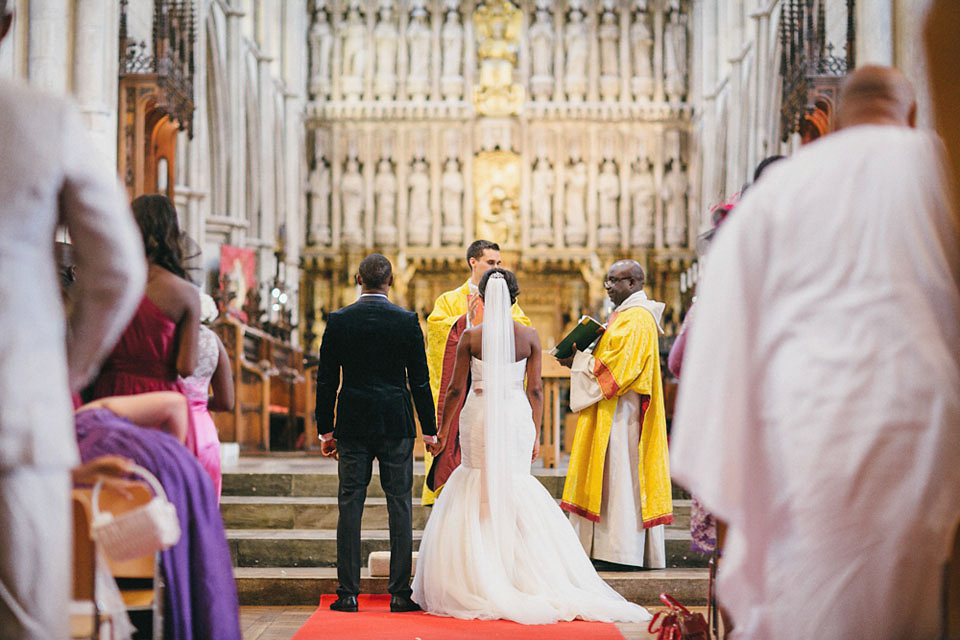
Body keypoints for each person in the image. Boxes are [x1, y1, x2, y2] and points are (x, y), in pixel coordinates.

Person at [670, 66, 960, 639]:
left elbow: (720, 352)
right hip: (935, 423)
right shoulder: (942, 166)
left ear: (835, 120)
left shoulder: (775, 195)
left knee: (815, 594)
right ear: (911, 115)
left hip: (808, 428)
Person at [0, 2, 146, 635]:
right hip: (14, 420)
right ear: (8, 23)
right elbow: (116, 271)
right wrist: (59, 372)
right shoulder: (40, 117)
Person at [413, 268, 651, 624]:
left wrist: (443, 431)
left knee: (474, 479)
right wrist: (537, 432)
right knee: (513, 481)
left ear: (480, 297)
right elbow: (535, 389)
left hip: (478, 416)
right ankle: (521, 572)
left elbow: (454, 390)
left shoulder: (471, 337)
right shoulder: (529, 335)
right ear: (515, 297)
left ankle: (476, 574)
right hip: (514, 416)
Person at [315, 254, 438, 613]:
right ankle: (400, 593)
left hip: (352, 422)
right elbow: (419, 379)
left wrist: (326, 429)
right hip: (395, 423)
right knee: (399, 504)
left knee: (349, 505)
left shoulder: (339, 320)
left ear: (357, 279)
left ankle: (348, 593)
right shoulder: (406, 320)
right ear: (392, 281)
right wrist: (429, 430)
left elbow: (326, 379)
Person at [75, 392, 241, 639]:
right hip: (167, 473)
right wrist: (180, 460)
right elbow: (174, 404)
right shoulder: (88, 418)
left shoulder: (58, 458)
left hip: (76, 584)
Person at [557, 260, 673, 570]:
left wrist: (578, 360)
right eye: (607, 281)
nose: (607, 286)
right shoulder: (625, 317)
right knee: (611, 479)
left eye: (615, 281)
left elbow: (616, 372)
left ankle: (620, 552)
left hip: (624, 417)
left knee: (621, 479)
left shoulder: (636, 320)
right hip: (614, 411)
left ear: (634, 283)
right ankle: (606, 549)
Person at [421, 240, 530, 506]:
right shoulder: (449, 300)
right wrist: (465, 323)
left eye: (498, 263)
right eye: (490, 262)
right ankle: (448, 497)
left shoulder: (507, 300)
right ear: (473, 262)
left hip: (491, 389)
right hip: (460, 387)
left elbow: (522, 327)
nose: (495, 268)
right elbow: (435, 332)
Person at [92, 194, 200, 400]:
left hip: (111, 392)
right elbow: (186, 367)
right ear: (172, 232)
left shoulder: (111, 279)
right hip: (158, 399)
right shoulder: (186, 293)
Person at [179, 293, 234, 501]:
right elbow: (226, 402)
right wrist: (199, 401)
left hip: (169, 423)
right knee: (204, 505)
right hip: (203, 430)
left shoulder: (167, 337)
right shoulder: (214, 342)